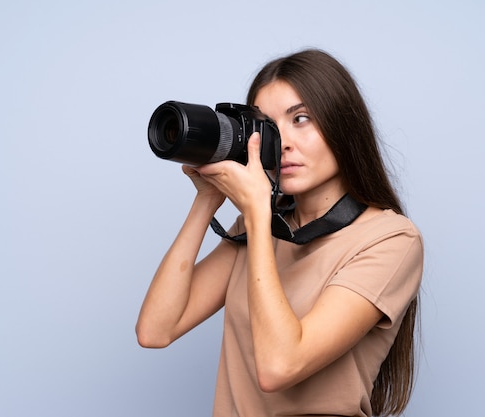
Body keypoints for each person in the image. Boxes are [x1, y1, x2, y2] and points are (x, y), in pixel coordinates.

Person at [136, 48, 423, 417]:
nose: (283, 142)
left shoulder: (390, 240)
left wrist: (257, 213)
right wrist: (207, 201)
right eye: (269, 127)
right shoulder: (261, 229)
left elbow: (279, 367)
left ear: (342, 124)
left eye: (300, 119)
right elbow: (155, 330)